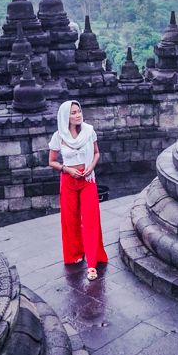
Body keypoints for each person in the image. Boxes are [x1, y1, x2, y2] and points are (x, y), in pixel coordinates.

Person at [49, 100, 108, 280]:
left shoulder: (89, 131)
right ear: (66, 116)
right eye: (73, 113)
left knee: (90, 220)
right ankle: (75, 254)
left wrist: (91, 166)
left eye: (79, 111)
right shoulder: (58, 136)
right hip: (68, 180)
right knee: (70, 220)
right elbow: (51, 161)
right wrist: (66, 169)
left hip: (87, 179)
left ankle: (92, 264)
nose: (78, 115)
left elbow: (97, 152)